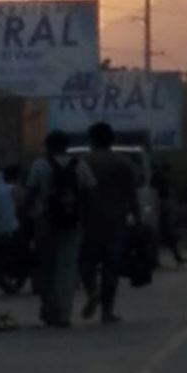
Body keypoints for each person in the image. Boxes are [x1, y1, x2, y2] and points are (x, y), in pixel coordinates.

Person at [25, 130, 97, 328]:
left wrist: (25, 219)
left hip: (45, 224)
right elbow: (90, 195)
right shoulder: (80, 165)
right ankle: (64, 315)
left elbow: (31, 195)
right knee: (66, 269)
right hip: (73, 224)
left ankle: (50, 309)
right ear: (67, 146)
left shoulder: (39, 166)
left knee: (46, 269)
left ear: (48, 146)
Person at [80, 122, 141, 324]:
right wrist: (138, 219)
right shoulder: (123, 163)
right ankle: (107, 312)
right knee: (111, 267)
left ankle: (92, 290)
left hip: (88, 220)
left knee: (86, 262)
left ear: (91, 140)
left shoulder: (83, 162)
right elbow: (132, 196)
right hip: (116, 220)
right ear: (111, 139)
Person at [152, 163, 186, 266]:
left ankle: (177, 258)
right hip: (162, 209)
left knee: (165, 236)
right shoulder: (163, 180)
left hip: (160, 209)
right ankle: (177, 258)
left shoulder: (157, 178)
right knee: (168, 236)